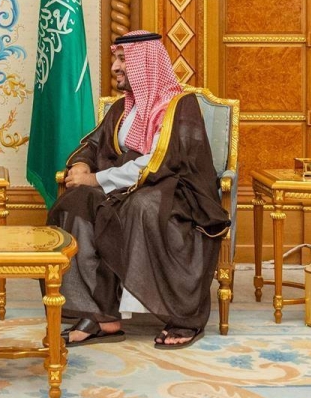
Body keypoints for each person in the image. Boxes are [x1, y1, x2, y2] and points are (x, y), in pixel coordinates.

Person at [47, 30, 229, 349]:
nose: (115, 67)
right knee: (75, 202)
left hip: (175, 191)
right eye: (115, 59)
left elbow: (160, 162)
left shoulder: (179, 107)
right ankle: (101, 315)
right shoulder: (122, 108)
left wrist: (98, 180)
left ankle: (182, 317)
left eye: (123, 60)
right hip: (122, 189)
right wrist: (84, 166)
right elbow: (96, 144)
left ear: (145, 64)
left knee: (142, 206)